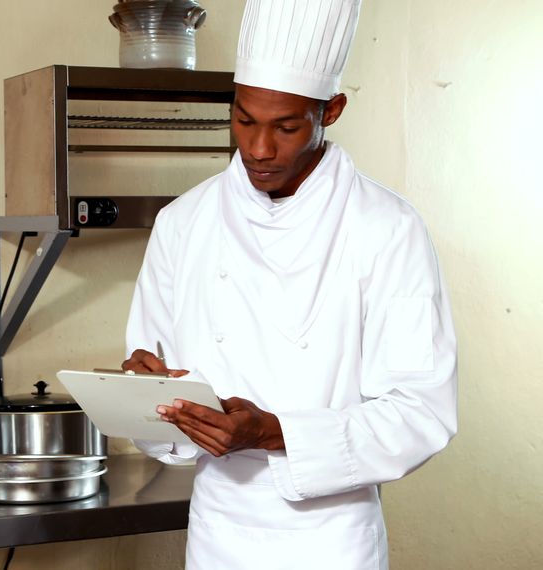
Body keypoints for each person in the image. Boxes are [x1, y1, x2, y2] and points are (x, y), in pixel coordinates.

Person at [121, 0, 457, 568]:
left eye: (286, 126)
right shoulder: (185, 222)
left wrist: (275, 433)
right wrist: (148, 401)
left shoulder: (387, 228)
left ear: (333, 110)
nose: (258, 148)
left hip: (332, 538)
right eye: (245, 120)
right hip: (217, 532)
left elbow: (421, 412)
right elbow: (155, 408)